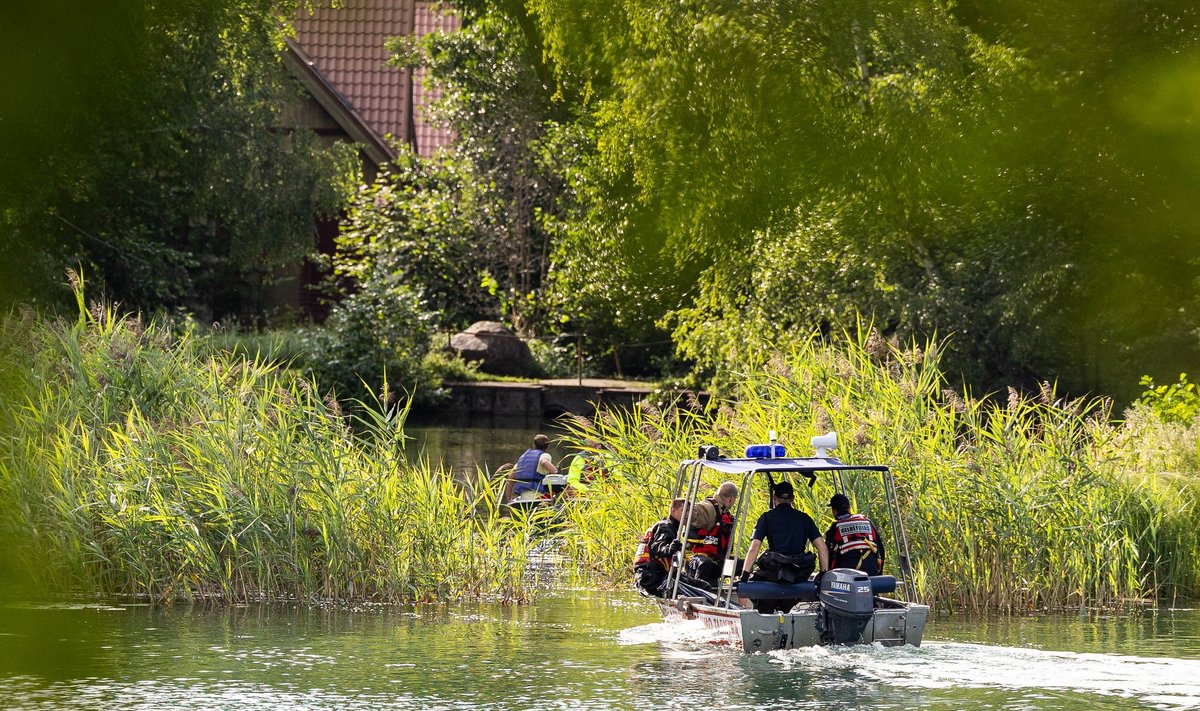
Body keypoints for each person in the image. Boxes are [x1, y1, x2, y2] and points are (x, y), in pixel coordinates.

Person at [738, 480, 830, 613]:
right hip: (797, 574)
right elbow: (822, 547)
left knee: (756, 586)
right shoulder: (805, 518)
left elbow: (754, 547)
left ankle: (763, 615)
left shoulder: (767, 517)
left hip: (773, 574)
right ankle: (784, 613)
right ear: (792, 499)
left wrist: (744, 577)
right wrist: (823, 575)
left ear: (775, 499)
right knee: (785, 603)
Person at [683, 482, 739, 589]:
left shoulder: (724, 512)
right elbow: (697, 512)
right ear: (731, 499)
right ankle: (697, 591)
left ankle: (738, 593)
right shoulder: (709, 508)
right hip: (696, 561)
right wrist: (687, 513)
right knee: (705, 563)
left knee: (741, 565)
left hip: (715, 559)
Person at [633, 498, 686, 596]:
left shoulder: (671, 527)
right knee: (698, 587)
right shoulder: (665, 527)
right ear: (673, 511)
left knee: (698, 584)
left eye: (688, 512)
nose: (687, 515)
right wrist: (669, 548)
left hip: (654, 573)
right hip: (652, 576)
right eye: (684, 511)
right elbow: (657, 545)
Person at [825, 493, 884, 575]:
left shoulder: (835, 527)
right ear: (849, 509)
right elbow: (881, 549)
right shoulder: (866, 522)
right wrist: (879, 574)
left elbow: (827, 554)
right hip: (871, 571)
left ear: (834, 511)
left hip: (847, 573)